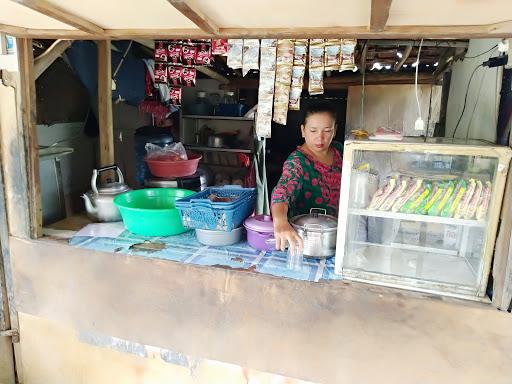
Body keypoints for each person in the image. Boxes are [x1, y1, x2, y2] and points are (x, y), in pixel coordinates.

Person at [270, 101, 343, 253]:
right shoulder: (297, 162)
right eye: (313, 130)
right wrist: (280, 221)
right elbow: (282, 191)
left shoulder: (340, 151)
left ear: (335, 130)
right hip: (306, 240)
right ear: (303, 131)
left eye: (327, 130)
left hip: (336, 233)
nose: (320, 138)